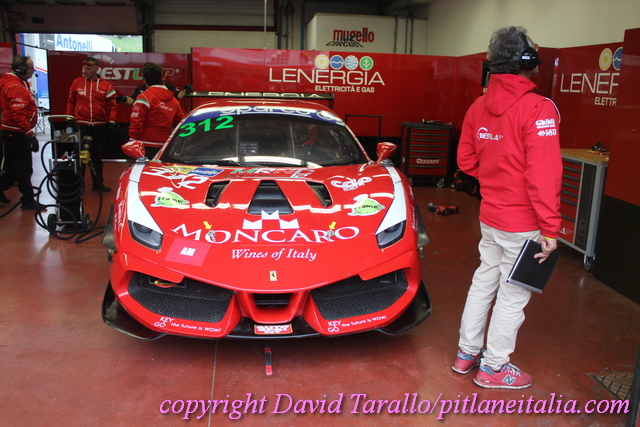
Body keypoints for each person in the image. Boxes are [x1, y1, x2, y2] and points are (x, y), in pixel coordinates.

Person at [452, 26, 562, 390]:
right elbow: (543, 175)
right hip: (524, 223)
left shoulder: (477, 105)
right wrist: (551, 228)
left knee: (484, 279)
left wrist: (496, 174)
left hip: (491, 216)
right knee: (513, 294)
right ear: (527, 60)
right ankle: (494, 367)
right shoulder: (539, 109)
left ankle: (466, 354)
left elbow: (466, 161)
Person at [66, 56, 117, 192]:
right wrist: (69, 120)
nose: (85, 71)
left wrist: (112, 121)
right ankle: (78, 184)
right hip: (81, 123)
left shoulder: (106, 85)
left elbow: (113, 105)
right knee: (80, 155)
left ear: (96, 68)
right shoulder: (76, 82)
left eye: (88, 68)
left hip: (99, 125)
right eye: (84, 68)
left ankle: (98, 184)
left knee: (96, 156)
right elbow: (71, 102)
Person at [0, 55, 45, 210]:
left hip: (14, 131)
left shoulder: (18, 82)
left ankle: (3, 188)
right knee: (24, 168)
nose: (33, 70)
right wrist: (30, 134)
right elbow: (18, 114)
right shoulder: (16, 86)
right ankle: (27, 201)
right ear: (22, 69)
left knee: (16, 166)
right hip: (17, 132)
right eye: (31, 67)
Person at [127, 63, 185, 158]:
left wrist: (132, 141)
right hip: (165, 147)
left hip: (144, 145)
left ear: (145, 79)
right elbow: (181, 123)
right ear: (161, 78)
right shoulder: (174, 101)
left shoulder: (144, 97)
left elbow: (136, 122)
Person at [115, 63, 193, 106]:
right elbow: (131, 100)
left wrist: (185, 90)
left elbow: (179, 95)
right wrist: (124, 99)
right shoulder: (141, 88)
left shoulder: (166, 85)